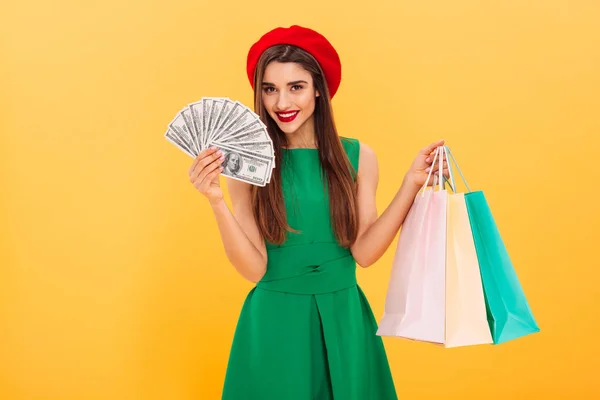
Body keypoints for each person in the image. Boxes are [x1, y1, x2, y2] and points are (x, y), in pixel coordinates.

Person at [187, 25, 449, 400]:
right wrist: (216, 200)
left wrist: (411, 183)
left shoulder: (357, 157)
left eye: (296, 87)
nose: (281, 103)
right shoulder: (245, 163)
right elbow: (253, 269)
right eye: (270, 89)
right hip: (275, 323)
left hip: (344, 317)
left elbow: (364, 252)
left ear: (318, 90)